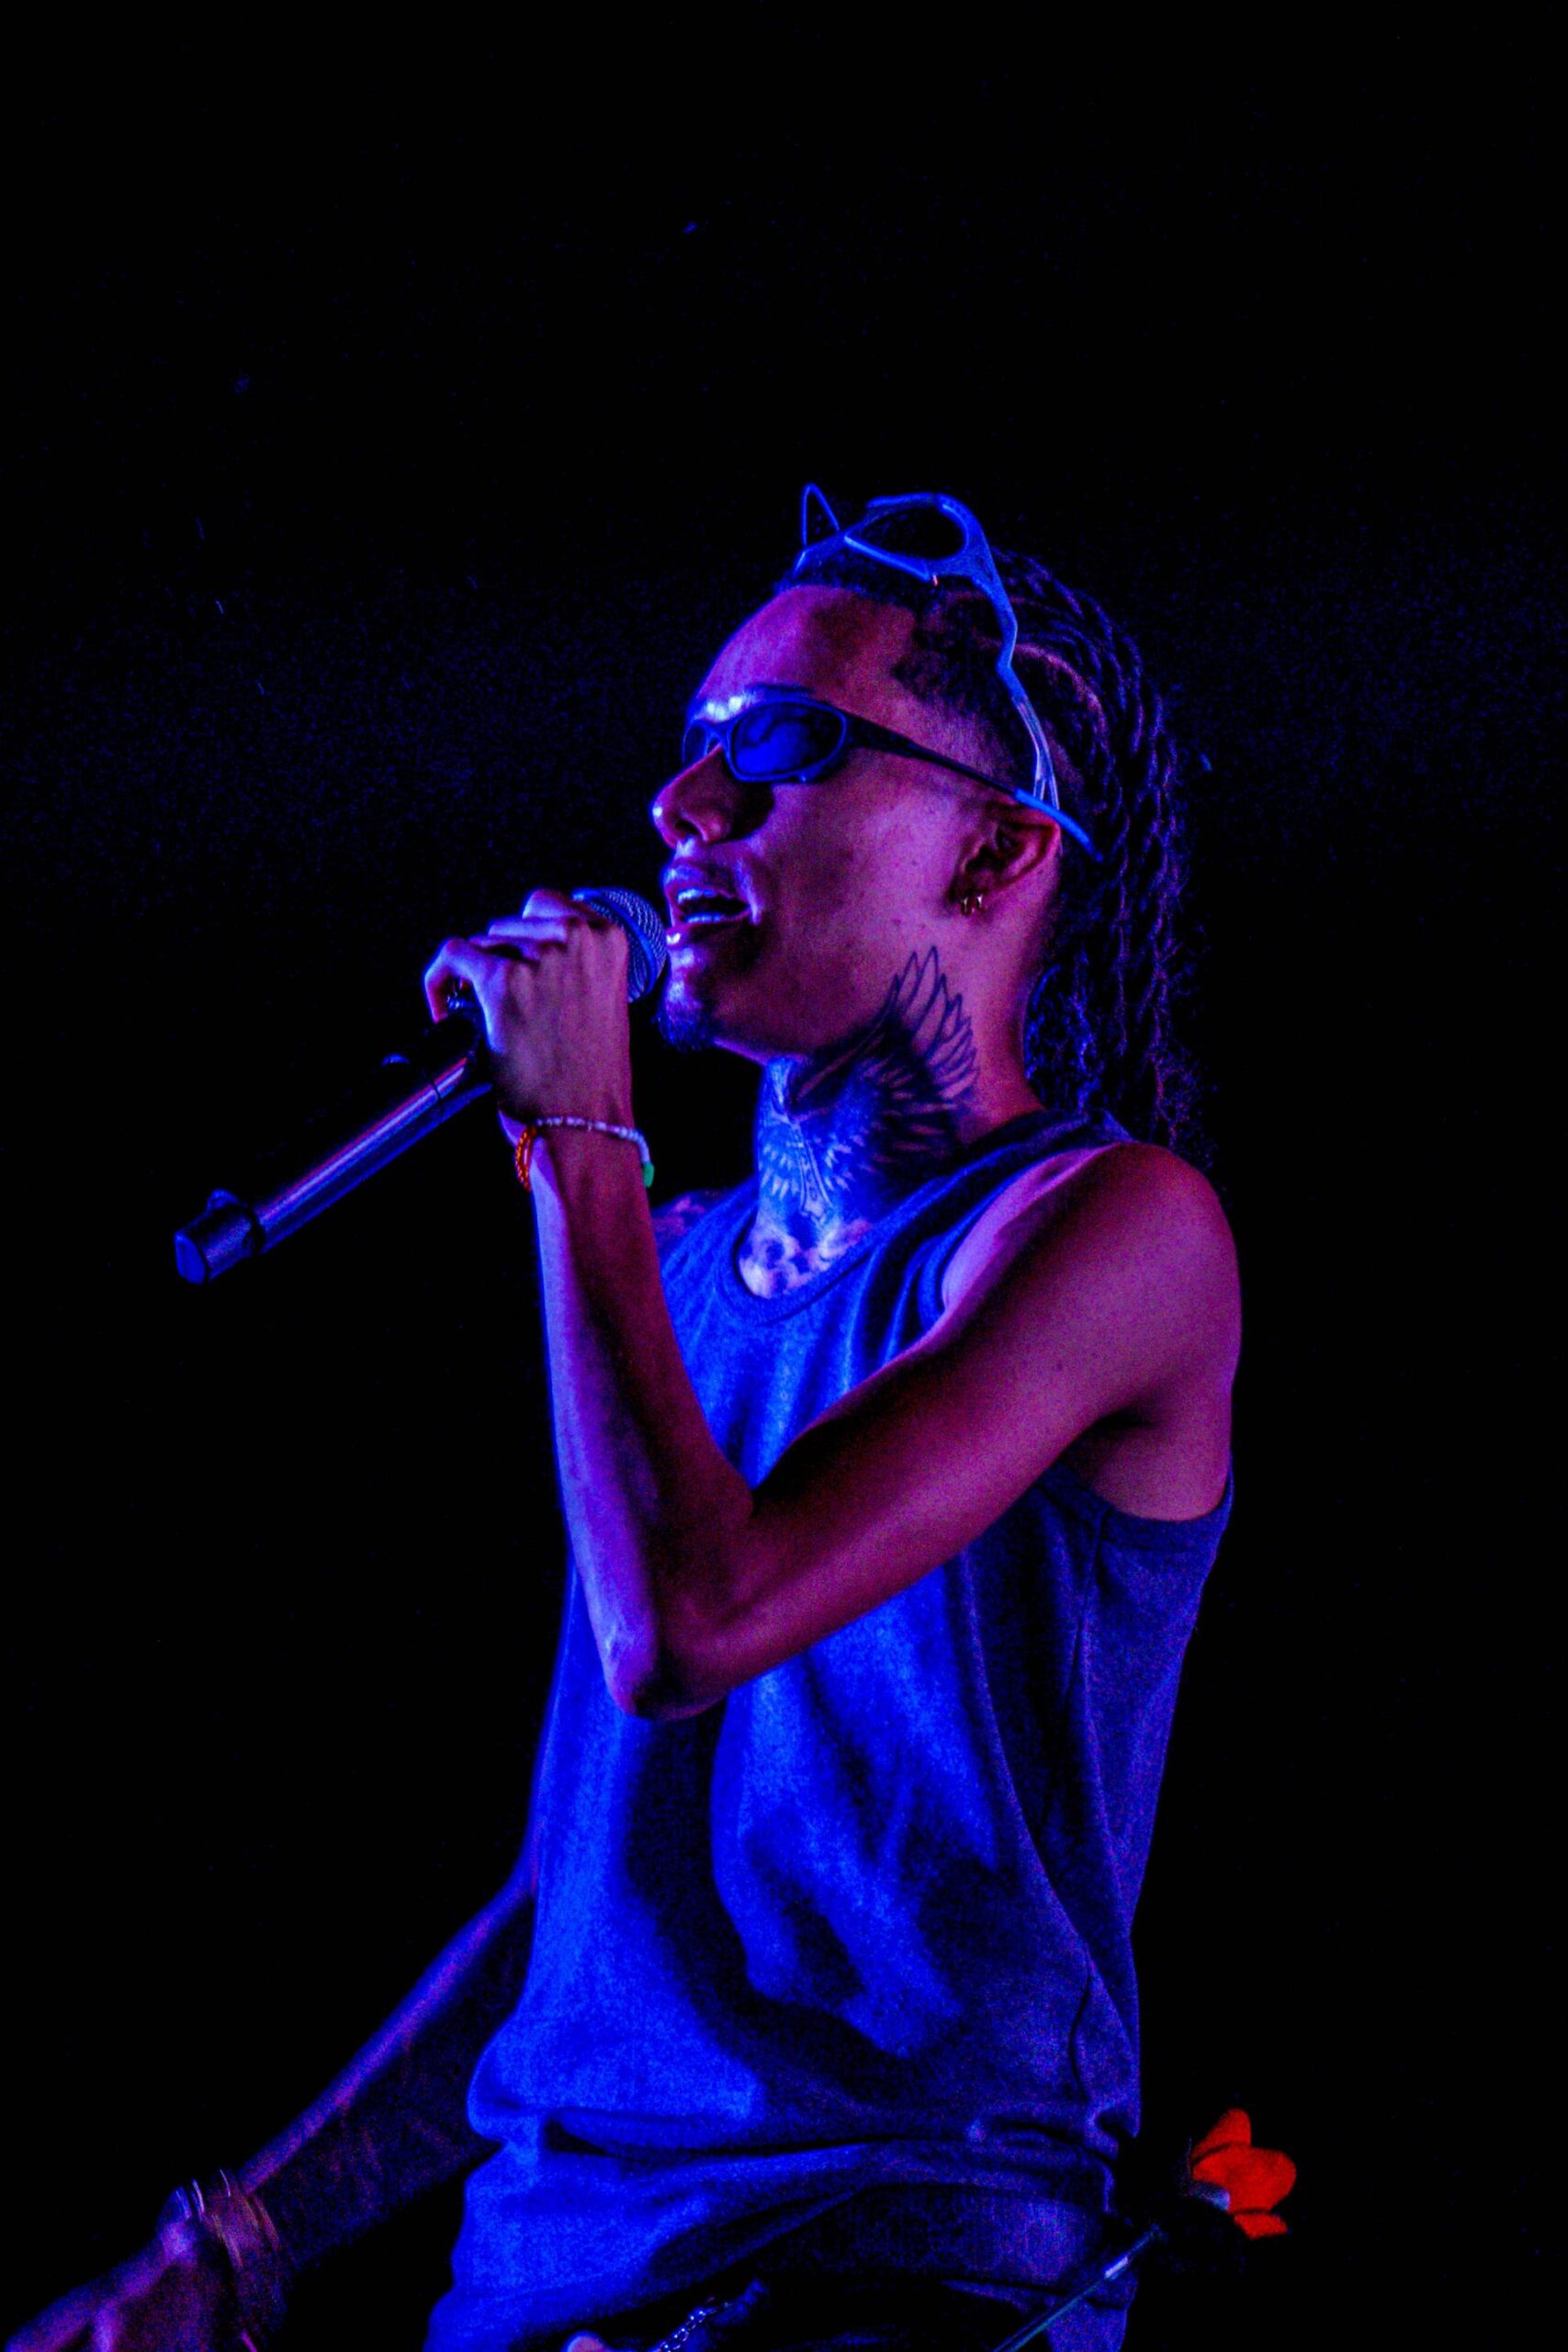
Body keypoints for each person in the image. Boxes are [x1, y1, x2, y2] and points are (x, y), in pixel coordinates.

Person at [13, 492, 1238, 2352]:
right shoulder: (662, 1269)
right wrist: (240, 2242)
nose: (682, 806)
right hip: (547, 2288)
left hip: (879, 2279)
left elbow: (689, 1616)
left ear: (993, 849)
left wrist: (578, 1131)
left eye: (785, 746)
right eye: (690, 747)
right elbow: (589, 1912)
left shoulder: (1111, 1232)